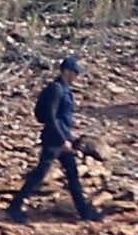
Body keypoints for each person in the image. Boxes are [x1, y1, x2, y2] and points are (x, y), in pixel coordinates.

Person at [9, 53, 100, 222]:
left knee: (72, 174)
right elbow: (50, 116)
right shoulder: (56, 89)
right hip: (55, 139)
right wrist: (62, 139)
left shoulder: (64, 89)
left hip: (63, 137)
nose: (77, 76)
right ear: (65, 71)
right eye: (74, 72)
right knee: (40, 173)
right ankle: (14, 206)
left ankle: (85, 212)